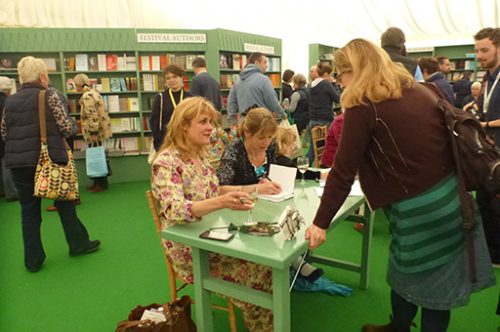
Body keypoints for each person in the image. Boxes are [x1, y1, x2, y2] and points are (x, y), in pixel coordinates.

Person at [305, 39, 495, 332]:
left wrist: (320, 223)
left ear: (352, 71)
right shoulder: (421, 90)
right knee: (422, 278)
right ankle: (399, 326)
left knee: (425, 285)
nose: (339, 82)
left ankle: (400, 326)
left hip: (418, 207)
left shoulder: (363, 104)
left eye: (340, 75)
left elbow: (343, 171)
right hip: (452, 197)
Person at [151, 97, 274, 331]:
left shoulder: (201, 156)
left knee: (264, 263)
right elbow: (175, 210)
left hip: (213, 235)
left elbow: (214, 190)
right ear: (183, 126)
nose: (211, 127)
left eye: (211, 121)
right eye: (203, 121)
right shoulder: (166, 163)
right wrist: (221, 202)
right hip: (190, 250)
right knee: (258, 274)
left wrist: (246, 192)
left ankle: (264, 317)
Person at [1, 56, 100, 272]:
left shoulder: (10, 101)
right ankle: (78, 244)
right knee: (65, 204)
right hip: (49, 160)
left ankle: (33, 260)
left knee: (28, 210)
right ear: (43, 77)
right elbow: (67, 128)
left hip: (19, 163)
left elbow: (4, 132)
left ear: (21, 78)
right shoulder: (50, 95)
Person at [474, 28, 500, 269]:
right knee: (484, 201)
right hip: (489, 152)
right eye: (477, 51)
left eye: (485, 50)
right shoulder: (487, 79)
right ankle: (490, 254)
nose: (479, 55)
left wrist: (484, 124)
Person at [217, 107, 282, 194]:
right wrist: (256, 188)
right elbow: (220, 189)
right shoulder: (234, 151)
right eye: (261, 138)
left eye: (270, 137)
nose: (267, 142)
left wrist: (268, 182)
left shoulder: (271, 146)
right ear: (247, 132)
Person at [74, 73, 112, 193]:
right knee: (97, 155)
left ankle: (100, 183)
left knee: (95, 157)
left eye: (76, 84)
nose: (75, 87)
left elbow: (92, 114)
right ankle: (98, 182)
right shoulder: (94, 93)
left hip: (94, 131)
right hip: (98, 130)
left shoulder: (86, 96)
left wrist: (93, 132)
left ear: (79, 84)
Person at [226, 52, 286, 125]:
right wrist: (282, 114)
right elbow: (272, 100)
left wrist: (232, 122)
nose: (267, 66)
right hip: (262, 123)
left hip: (244, 123)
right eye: (265, 62)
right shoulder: (264, 80)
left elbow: (231, 102)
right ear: (256, 62)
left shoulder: (238, 80)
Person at [150, 64, 191, 151]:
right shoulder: (160, 98)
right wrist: (159, 144)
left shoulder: (190, 98)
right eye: (168, 78)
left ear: (181, 77)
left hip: (186, 141)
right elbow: (154, 123)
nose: (171, 80)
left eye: (174, 77)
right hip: (166, 142)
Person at [307, 62, 340, 163]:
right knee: (329, 145)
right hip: (325, 119)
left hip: (313, 119)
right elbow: (338, 99)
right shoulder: (326, 84)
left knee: (314, 146)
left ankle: (306, 164)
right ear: (325, 74)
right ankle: (325, 165)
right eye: (329, 74)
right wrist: (334, 84)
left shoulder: (310, 85)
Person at [0, 76, 18, 202]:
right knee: (7, 165)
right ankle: (11, 193)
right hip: (4, 138)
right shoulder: (8, 102)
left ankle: (2, 191)